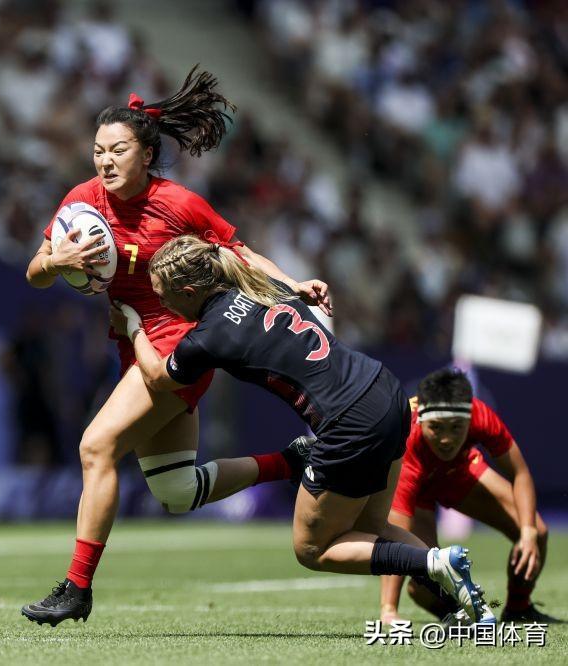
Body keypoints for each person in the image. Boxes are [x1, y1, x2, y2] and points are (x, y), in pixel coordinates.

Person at [21, 66, 333, 626]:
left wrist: (294, 286)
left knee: (96, 447)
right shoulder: (82, 201)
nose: (105, 161)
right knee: (176, 491)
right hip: (131, 342)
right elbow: (34, 274)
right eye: (98, 151)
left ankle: (76, 588)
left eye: (117, 150)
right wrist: (55, 261)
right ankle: (292, 459)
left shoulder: (179, 203)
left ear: (147, 154)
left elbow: (240, 253)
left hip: (177, 343)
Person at [111, 234, 496, 625]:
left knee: (313, 548)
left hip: (349, 421)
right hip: (384, 389)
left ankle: (435, 562)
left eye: (163, 297)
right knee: (373, 528)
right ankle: (469, 607)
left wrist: (133, 326)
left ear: (190, 292)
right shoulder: (260, 283)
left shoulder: (208, 336)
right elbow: (244, 254)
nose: (162, 304)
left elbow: (157, 377)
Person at [379, 368, 560, 625]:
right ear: (421, 420)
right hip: (416, 489)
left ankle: (518, 609)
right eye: (436, 427)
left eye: (456, 427)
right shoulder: (407, 441)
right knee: (426, 581)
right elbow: (397, 536)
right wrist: (389, 609)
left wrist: (528, 532)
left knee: (537, 531)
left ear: (469, 417)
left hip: (458, 473)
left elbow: (520, 473)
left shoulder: (480, 415)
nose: (446, 439)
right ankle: (452, 610)